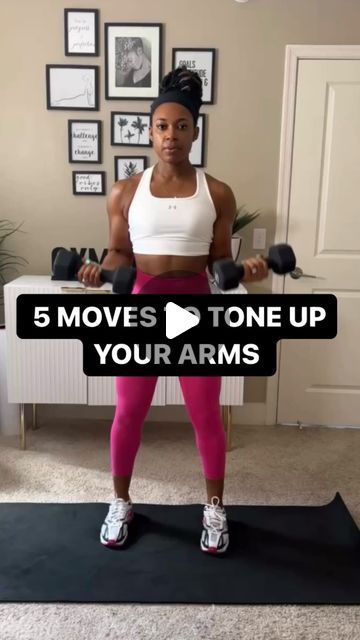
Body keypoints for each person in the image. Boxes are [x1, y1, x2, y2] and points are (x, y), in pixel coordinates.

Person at [78, 66, 268, 554]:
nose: (171, 136)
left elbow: (219, 260)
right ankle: (120, 501)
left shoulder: (217, 192)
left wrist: (245, 270)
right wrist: (100, 270)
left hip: (195, 307)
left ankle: (215, 508)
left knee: (205, 413)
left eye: (181, 126)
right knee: (129, 412)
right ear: (149, 130)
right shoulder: (124, 191)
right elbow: (119, 253)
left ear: (195, 132)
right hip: (142, 305)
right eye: (162, 126)